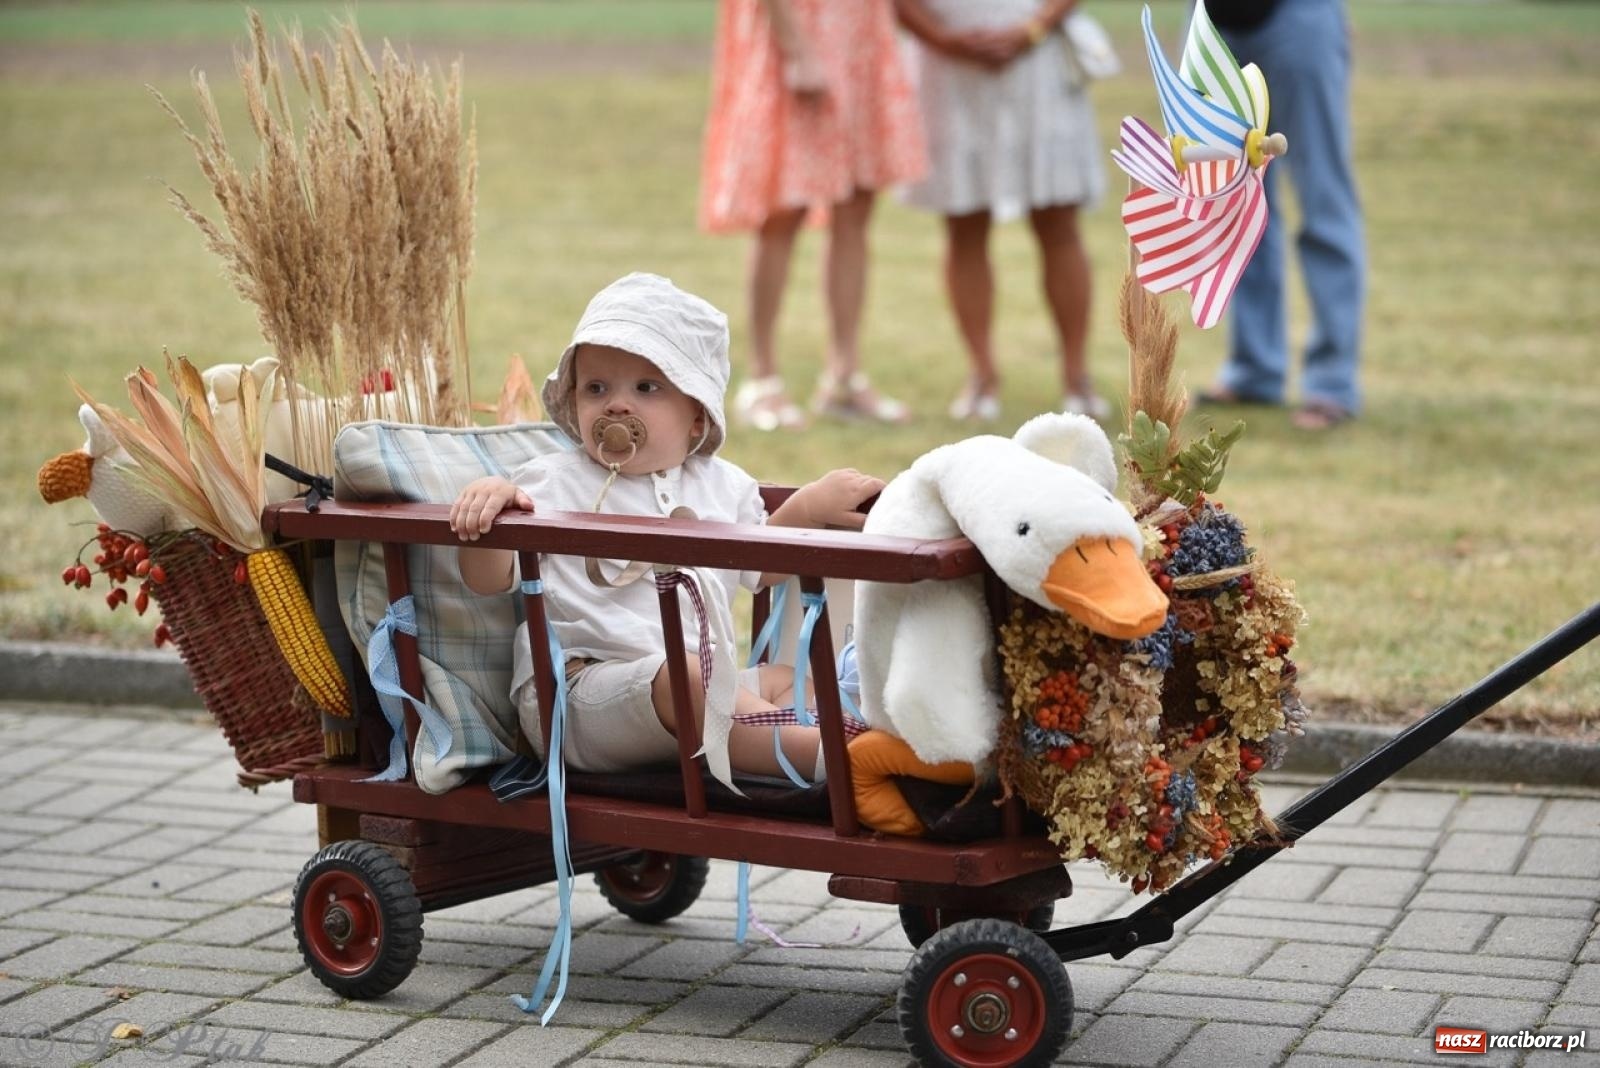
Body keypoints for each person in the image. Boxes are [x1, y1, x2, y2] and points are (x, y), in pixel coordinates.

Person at [449, 274, 884, 785]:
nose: (616, 404)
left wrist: (808, 508)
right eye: (596, 388)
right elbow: (486, 580)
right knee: (692, 677)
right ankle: (833, 760)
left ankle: (852, 732)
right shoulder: (554, 481)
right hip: (583, 697)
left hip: (696, 689)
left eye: (646, 388)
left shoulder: (721, 485)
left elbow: (760, 567)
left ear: (696, 416)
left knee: (780, 679)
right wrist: (491, 506)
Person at [699, 0, 926, 430]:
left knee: (856, 207)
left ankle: (845, 376)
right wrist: (798, 48)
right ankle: (762, 378)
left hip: (861, 37)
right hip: (802, 33)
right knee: (784, 209)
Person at [896, 0, 1108, 423]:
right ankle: (982, 374)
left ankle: (1076, 375)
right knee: (963, 222)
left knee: (1058, 221)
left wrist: (1032, 28)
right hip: (947, 68)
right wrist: (944, 39)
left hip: (1039, 60)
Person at [1196, 0, 1366, 431]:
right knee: (1236, 200)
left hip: (1299, 15)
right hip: (1213, 19)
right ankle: (1254, 370)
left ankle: (1331, 383)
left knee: (1323, 197)